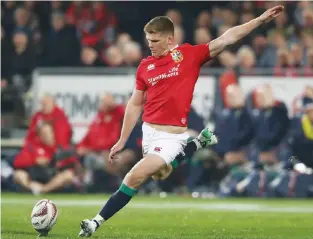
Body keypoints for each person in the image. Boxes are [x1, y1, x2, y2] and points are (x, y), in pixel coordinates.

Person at [78, 5, 284, 237]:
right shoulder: (145, 66)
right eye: (148, 40)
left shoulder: (189, 55)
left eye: (155, 40)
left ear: (169, 39)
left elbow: (227, 38)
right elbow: (135, 104)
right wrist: (122, 139)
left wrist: (259, 20)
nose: (150, 45)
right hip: (149, 133)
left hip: (173, 137)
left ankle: (94, 222)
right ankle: (196, 144)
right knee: (160, 174)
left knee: (134, 176)